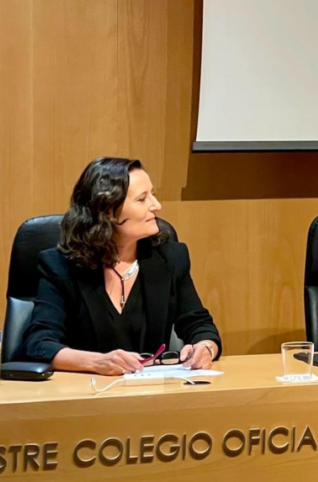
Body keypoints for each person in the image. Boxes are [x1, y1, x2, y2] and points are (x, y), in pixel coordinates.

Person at [23, 157, 221, 375]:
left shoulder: (170, 259)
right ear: (108, 211)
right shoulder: (61, 267)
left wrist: (206, 348)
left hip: (150, 397)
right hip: (82, 396)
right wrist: (97, 362)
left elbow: (199, 325)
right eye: (142, 199)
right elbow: (39, 343)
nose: (156, 205)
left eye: (152, 195)